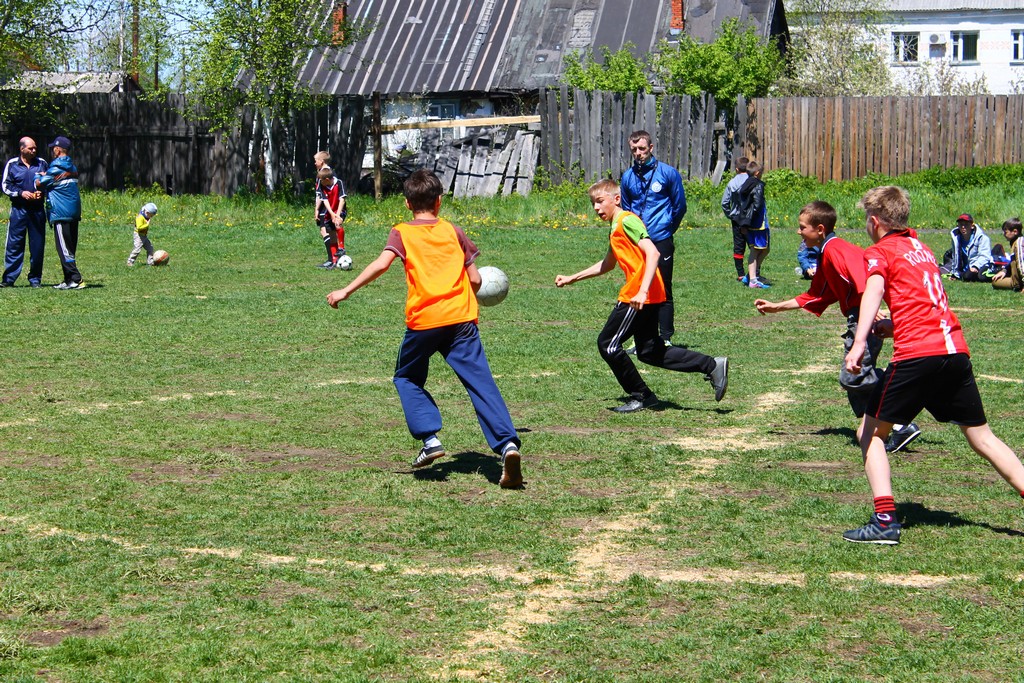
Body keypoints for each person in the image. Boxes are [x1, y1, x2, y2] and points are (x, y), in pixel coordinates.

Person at [842, 186, 1024, 545]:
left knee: (869, 433)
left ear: (875, 222)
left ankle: (884, 521)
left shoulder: (879, 251)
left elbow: (874, 290)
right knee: (982, 437)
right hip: (954, 352)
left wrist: (861, 341)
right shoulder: (922, 250)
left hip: (917, 356)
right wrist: (894, 326)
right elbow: (926, 301)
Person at [326, 169, 523, 489]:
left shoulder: (402, 233)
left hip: (424, 321)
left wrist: (345, 291)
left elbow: (381, 264)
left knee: (406, 377)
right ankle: (507, 446)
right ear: (439, 201)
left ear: (407, 203)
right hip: (461, 320)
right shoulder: (453, 231)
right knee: (481, 384)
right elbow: (475, 280)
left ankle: (430, 440)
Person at [754, 200, 920, 453]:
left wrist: (870, 310)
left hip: (863, 317)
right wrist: (776, 307)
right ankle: (883, 426)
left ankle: (899, 416)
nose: (798, 232)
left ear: (820, 229)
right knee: (855, 377)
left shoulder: (835, 250)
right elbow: (817, 295)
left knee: (852, 376)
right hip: (860, 315)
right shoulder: (828, 252)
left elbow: (864, 279)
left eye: (802, 227)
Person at [554, 179, 728, 413]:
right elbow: (607, 264)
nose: (596, 208)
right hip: (648, 293)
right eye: (593, 203)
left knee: (608, 345)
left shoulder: (628, 221)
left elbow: (653, 253)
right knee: (649, 351)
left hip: (639, 294)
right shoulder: (615, 227)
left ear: (616, 199)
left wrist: (642, 290)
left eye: (600, 201)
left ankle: (642, 396)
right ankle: (711, 365)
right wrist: (572, 278)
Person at [619, 130, 686, 347]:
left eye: (641, 149)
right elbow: (626, 211)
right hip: (638, 241)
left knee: (663, 287)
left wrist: (667, 229)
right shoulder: (628, 177)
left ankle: (665, 337)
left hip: (661, 238)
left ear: (651, 148)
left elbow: (679, 206)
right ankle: (640, 338)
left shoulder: (667, 173)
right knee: (639, 287)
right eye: (634, 150)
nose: (638, 153)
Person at [35, 136, 83, 289]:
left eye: (53, 148)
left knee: (63, 248)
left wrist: (38, 175)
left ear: (57, 149)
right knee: (69, 247)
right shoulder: (73, 168)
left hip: (61, 212)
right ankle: (68, 280)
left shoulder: (55, 167)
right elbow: (57, 181)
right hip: (73, 212)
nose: (51, 151)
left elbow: (39, 185)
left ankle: (76, 279)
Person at [2, 137, 49, 288]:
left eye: (35, 148)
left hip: (37, 211)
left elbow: (49, 183)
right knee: (14, 244)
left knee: (37, 245)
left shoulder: (42, 163)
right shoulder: (12, 164)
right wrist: (21, 193)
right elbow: (6, 186)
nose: (34, 151)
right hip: (18, 210)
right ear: (22, 149)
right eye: (30, 148)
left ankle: (35, 279)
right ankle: (9, 279)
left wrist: (42, 192)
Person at [735, 161, 770, 289]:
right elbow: (756, 205)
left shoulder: (747, 184)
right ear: (757, 173)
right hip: (757, 224)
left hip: (754, 223)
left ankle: (750, 276)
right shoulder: (757, 186)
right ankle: (753, 280)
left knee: (765, 249)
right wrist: (748, 223)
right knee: (756, 250)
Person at [721, 156, 749, 281]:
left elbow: (724, 202)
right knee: (753, 245)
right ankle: (755, 272)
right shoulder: (752, 181)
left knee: (739, 245)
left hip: (737, 218)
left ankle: (741, 273)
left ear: (736, 169)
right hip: (751, 217)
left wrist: (729, 214)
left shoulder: (732, 183)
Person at [947, 213, 993, 282]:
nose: (963, 227)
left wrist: (975, 266)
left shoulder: (982, 238)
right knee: (967, 276)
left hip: (980, 265)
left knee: (978, 277)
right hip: (966, 269)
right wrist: (954, 273)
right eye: (961, 224)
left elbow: (985, 256)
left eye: (966, 224)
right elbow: (955, 257)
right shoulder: (956, 238)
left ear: (972, 226)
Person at [316, 166, 347, 269]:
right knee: (332, 235)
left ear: (327, 179)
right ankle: (334, 261)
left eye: (321, 180)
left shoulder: (339, 183)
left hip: (340, 209)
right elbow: (325, 201)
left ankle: (341, 247)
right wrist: (331, 214)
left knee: (338, 223)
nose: (320, 182)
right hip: (329, 212)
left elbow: (342, 199)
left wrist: (337, 215)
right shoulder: (322, 184)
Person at [312, 151, 334, 268]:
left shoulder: (324, 174)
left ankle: (331, 259)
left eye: (316, 161)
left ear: (322, 161)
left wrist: (316, 209)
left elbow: (322, 194)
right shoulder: (326, 172)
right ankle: (334, 258)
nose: (315, 163)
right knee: (330, 231)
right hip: (327, 206)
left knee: (324, 231)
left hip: (325, 207)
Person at [991, 218, 1022, 293]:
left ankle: (1018, 285)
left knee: (995, 282)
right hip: (1017, 278)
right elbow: (1012, 260)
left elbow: (1021, 264)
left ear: (1015, 231)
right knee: (995, 279)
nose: (1004, 234)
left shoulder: (1019, 243)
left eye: (1006, 232)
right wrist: (1004, 271)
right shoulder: (1015, 241)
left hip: (1019, 281)